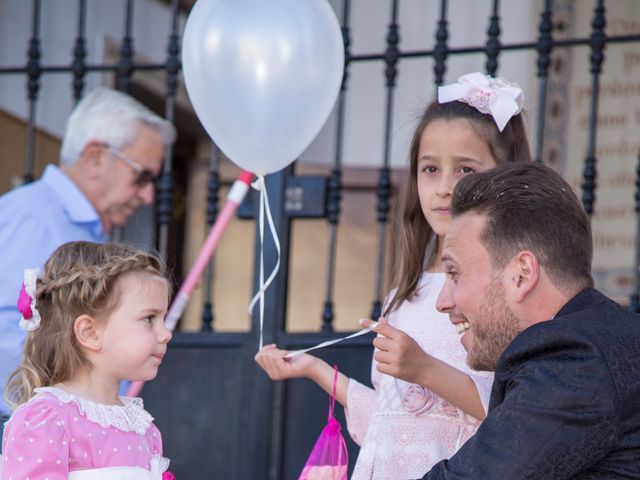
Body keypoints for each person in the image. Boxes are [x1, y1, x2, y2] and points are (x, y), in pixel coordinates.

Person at [255, 72, 532, 478]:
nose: (443, 187)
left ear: (506, 176)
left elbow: (514, 414)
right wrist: (314, 368)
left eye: (466, 170)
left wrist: (422, 368)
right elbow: (389, 420)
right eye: (430, 168)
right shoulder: (405, 293)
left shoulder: (509, 288)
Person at [415, 162, 640, 479]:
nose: (443, 301)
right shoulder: (601, 340)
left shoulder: (575, 360)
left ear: (521, 275)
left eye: (454, 273)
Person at [0, 87, 176, 422]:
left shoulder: (77, 231)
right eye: (143, 176)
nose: (149, 195)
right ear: (95, 156)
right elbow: (10, 334)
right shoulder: (32, 221)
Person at [1, 241, 175, 479]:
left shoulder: (144, 429)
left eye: (163, 319)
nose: (166, 334)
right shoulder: (48, 420)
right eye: (149, 319)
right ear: (90, 333)